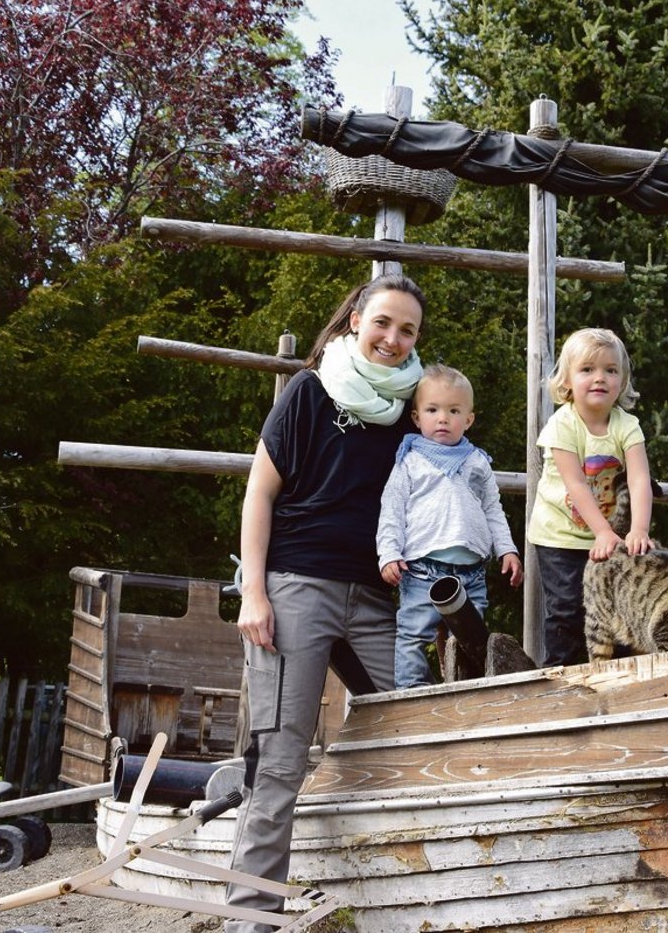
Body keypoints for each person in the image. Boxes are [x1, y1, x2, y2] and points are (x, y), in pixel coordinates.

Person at [225, 274, 424, 932]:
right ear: (355, 320)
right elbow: (258, 494)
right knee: (279, 762)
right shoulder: (310, 392)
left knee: (425, 733)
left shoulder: (412, 409)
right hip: (295, 590)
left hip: (374, 600)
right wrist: (253, 591)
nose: (393, 340)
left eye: (408, 331)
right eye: (384, 323)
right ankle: (249, 920)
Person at [377, 364, 524, 688]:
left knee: (471, 640)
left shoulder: (477, 462)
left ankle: (466, 691)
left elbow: (492, 509)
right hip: (421, 571)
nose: (443, 418)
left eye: (453, 410)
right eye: (433, 410)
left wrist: (507, 550)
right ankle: (411, 695)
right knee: (414, 634)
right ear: (417, 417)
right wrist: (388, 552)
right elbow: (392, 510)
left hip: (471, 573)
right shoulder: (410, 461)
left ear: (468, 419)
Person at [527, 327, 653, 667]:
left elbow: (640, 479)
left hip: (609, 537)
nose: (600, 378)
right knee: (568, 606)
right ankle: (560, 673)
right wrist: (601, 531)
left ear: (622, 381)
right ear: (567, 380)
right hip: (561, 535)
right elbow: (576, 484)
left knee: (618, 601)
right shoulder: (562, 425)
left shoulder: (627, 425)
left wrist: (638, 529)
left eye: (610, 370)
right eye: (587, 370)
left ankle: (620, 671)